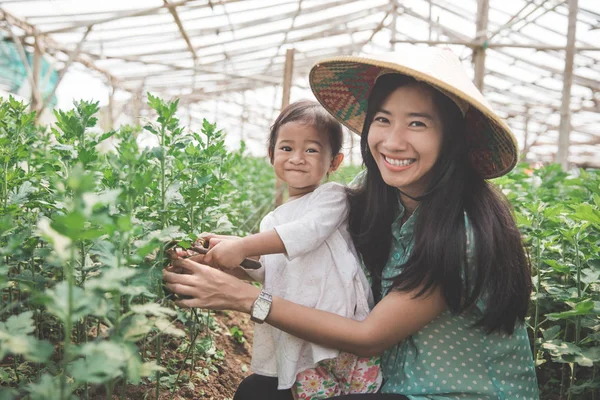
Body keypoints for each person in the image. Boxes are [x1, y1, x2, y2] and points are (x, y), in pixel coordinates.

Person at [164, 46, 540, 400]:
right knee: (257, 391)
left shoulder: (463, 231)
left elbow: (368, 337)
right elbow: (316, 254)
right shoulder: (376, 194)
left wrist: (244, 299)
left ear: (452, 140)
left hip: (444, 393)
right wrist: (239, 256)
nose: (393, 142)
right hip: (382, 380)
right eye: (383, 119)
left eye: (418, 124)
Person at [183, 100, 382, 399]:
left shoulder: (332, 196)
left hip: (336, 320)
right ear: (271, 155)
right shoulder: (274, 219)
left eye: (311, 150)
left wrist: (242, 245)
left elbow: (307, 233)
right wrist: (226, 255)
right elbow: (269, 269)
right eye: (286, 148)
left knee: (354, 387)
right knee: (310, 390)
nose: (297, 158)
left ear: (334, 162)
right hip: (297, 325)